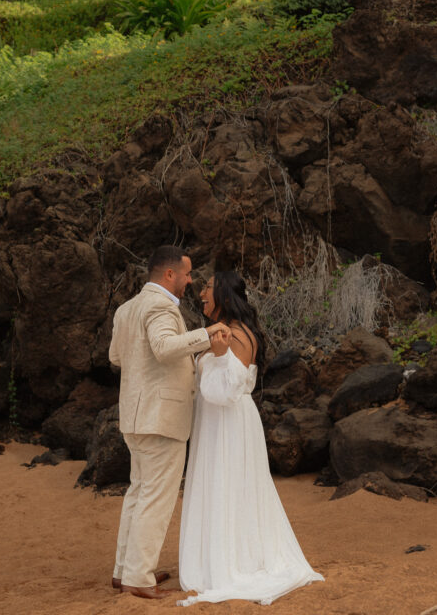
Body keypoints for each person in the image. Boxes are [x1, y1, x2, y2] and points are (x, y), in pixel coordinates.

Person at [178, 269, 324, 607]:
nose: (202, 293)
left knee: (228, 485)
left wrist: (216, 354)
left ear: (225, 294)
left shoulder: (236, 334)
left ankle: (233, 561)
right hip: (217, 421)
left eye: (209, 287)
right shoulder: (227, 331)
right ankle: (223, 553)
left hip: (227, 422)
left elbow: (227, 389)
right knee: (224, 485)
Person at [109, 245, 230, 600]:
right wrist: (206, 334)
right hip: (161, 416)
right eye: (188, 274)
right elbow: (163, 348)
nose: (191, 281)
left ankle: (124, 570)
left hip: (134, 414)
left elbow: (116, 356)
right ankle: (138, 576)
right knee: (155, 498)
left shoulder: (127, 308)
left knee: (137, 492)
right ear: (169, 274)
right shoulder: (161, 305)